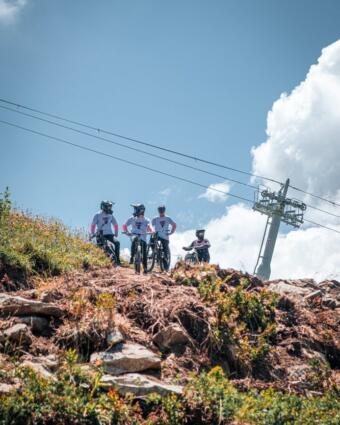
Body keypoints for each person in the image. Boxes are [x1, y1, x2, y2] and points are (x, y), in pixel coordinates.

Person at [122, 204, 152, 274]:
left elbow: (149, 226)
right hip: (134, 235)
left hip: (143, 237)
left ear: (141, 211)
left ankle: (145, 269)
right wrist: (126, 232)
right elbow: (124, 225)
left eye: (136, 210)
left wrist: (152, 231)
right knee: (134, 239)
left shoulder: (146, 219)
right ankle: (132, 257)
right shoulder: (132, 218)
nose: (135, 211)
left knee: (144, 253)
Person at [90, 200, 121, 265]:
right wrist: (92, 233)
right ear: (104, 207)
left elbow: (115, 224)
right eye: (109, 207)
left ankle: (118, 260)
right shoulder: (97, 215)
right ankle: (104, 261)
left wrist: (116, 233)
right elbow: (93, 225)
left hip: (109, 234)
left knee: (117, 243)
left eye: (110, 207)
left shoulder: (111, 215)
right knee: (103, 247)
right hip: (100, 234)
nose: (110, 208)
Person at [151, 205, 177, 271]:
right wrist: (152, 230)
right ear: (158, 211)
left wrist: (171, 232)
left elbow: (174, 225)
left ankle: (165, 267)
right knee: (151, 241)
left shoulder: (168, 218)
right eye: (160, 211)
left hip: (165, 236)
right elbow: (151, 225)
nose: (161, 212)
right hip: (157, 235)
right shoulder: (155, 218)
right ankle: (154, 251)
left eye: (162, 211)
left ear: (164, 211)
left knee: (165, 251)